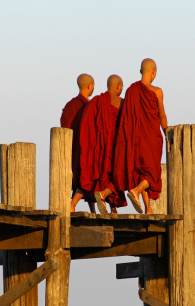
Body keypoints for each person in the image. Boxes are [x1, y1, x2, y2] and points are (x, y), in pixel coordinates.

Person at [113, 58, 168, 214]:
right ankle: (136, 191)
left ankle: (148, 208)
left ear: (140, 71)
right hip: (151, 137)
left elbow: (127, 117)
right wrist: (167, 133)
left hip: (135, 139)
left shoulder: (131, 90)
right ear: (153, 72)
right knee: (153, 173)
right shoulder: (157, 91)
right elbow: (162, 115)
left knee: (142, 172)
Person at [79, 75, 128, 214]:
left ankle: (112, 208)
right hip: (116, 146)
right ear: (118, 86)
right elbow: (128, 126)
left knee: (105, 174)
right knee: (120, 174)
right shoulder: (122, 103)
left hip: (100, 147)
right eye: (122, 87)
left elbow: (87, 124)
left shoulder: (96, 101)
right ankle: (105, 195)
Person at [60, 73, 95, 212]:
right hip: (82, 148)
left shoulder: (69, 106)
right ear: (88, 86)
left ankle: (92, 210)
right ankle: (72, 205)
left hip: (69, 148)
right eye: (93, 86)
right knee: (87, 177)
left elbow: (64, 125)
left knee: (82, 178)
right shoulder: (88, 107)